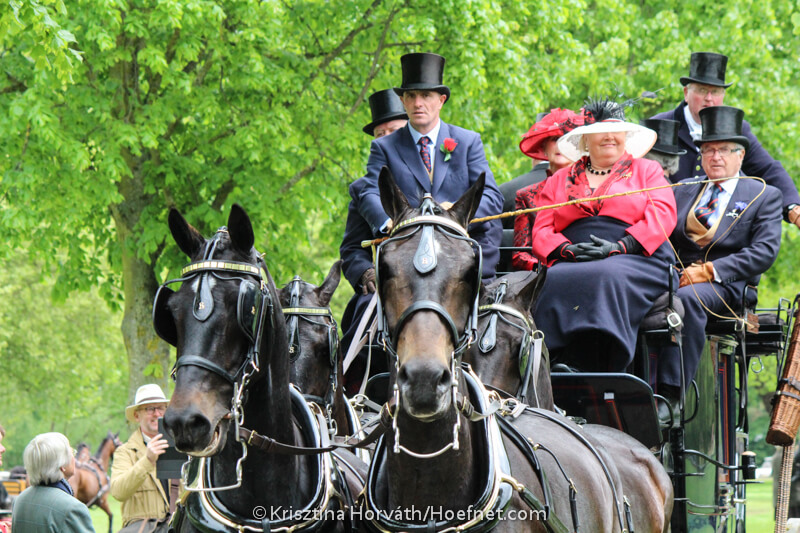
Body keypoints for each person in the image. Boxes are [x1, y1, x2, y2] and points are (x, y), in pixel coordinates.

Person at [529, 98, 677, 373]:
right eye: (600, 131)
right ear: (585, 139)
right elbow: (542, 229)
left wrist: (621, 246)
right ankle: (553, 362)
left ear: (625, 136)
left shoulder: (647, 171)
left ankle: (602, 367)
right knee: (552, 278)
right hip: (574, 256)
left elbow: (663, 214)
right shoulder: (559, 179)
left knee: (605, 274)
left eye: (616, 130)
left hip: (638, 257)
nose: (609, 136)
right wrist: (566, 250)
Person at [656, 106, 782, 423]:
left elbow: (764, 252)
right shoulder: (683, 190)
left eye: (724, 150)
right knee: (636, 294)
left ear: (741, 155)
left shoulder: (763, 194)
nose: (715, 157)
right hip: (676, 277)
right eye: (708, 150)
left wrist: (709, 271)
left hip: (728, 287)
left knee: (687, 300)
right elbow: (661, 236)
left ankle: (671, 395)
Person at [351, 52, 504, 278]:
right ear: (403, 101)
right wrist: (389, 222)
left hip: (462, 254)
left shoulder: (468, 142)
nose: (417, 103)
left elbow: (491, 196)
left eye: (425, 95)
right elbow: (369, 193)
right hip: (405, 258)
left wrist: (457, 213)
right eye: (411, 96)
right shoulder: (384, 147)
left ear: (441, 100)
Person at [650, 51, 800, 227]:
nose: (709, 99)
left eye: (715, 92)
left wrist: (792, 207)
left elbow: (767, 169)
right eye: (702, 90)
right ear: (686, 93)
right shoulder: (658, 127)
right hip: (669, 225)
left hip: (722, 229)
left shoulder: (737, 129)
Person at [512, 108, 583, 270]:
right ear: (544, 148)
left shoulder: (594, 190)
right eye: (554, 139)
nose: (560, 145)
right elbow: (520, 255)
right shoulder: (526, 195)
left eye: (566, 139)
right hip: (544, 277)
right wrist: (549, 269)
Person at [110, 384, 175, 531]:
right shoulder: (125, 452)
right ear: (136, 415)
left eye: (161, 408)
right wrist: (148, 460)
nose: (157, 414)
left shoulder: (180, 448)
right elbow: (118, 492)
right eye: (150, 409)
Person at [10, 432, 95, 533]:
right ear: (62, 465)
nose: (74, 458)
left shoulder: (20, 500)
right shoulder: (72, 508)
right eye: (72, 453)